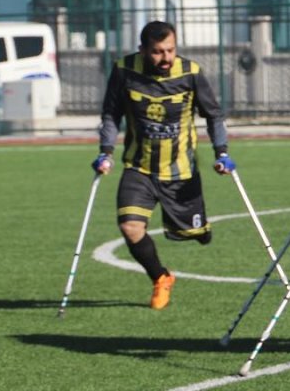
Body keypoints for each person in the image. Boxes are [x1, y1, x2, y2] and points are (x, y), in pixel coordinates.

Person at [93, 21, 235, 310]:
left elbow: (214, 116)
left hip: (180, 172)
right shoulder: (124, 70)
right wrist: (105, 152)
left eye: (170, 50)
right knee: (130, 227)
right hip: (139, 167)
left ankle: (198, 229)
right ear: (142, 50)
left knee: (196, 235)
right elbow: (111, 115)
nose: (166, 58)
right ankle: (160, 277)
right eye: (157, 52)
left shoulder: (191, 73)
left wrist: (221, 153)